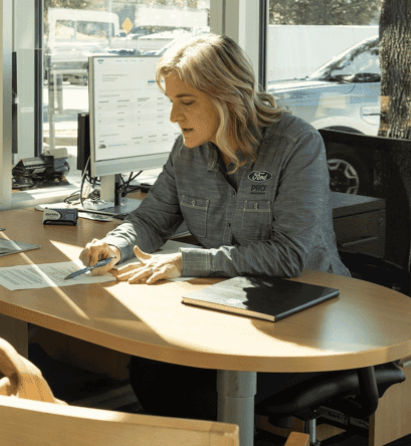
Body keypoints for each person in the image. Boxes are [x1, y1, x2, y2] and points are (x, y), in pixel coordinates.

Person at [78, 33, 350, 421]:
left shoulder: (296, 143)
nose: (175, 117)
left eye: (186, 102)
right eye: (172, 102)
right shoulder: (188, 149)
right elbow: (152, 219)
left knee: (199, 396)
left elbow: (291, 254)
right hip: (230, 307)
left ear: (228, 97)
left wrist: (186, 262)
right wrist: (115, 243)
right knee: (148, 370)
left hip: (307, 313)